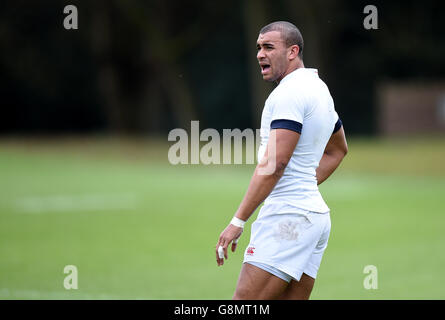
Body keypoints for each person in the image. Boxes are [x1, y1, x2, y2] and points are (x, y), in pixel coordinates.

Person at [215, 21, 348, 300]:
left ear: (293, 51)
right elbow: (338, 150)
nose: (260, 54)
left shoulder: (289, 93)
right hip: (314, 218)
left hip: (288, 219)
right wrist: (303, 184)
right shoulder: (318, 88)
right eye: (258, 48)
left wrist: (238, 221)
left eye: (268, 47)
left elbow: (275, 164)